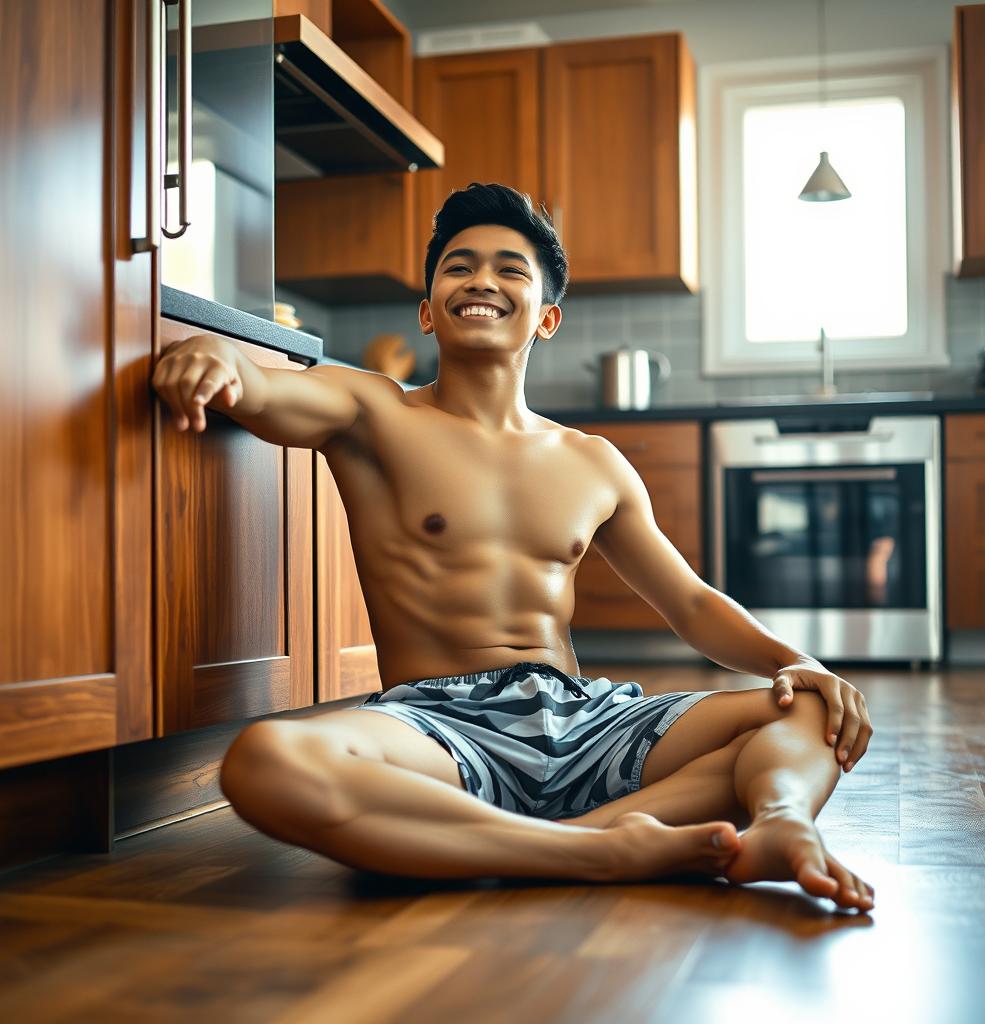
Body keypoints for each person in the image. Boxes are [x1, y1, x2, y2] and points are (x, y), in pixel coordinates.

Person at [151, 183, 875, 912]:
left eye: (510, 269)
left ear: (548, 317)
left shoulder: (593, 461)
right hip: (435, 730)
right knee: (265, 762)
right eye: (458, 267)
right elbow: (263, 387)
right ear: (429, 311)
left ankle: (777, 821)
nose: (482, 281)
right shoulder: (373, 411)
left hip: (584, 720)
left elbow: (687, 602)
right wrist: (211, 353)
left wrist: (799, 664)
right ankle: (600, 851)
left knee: (808, 708)